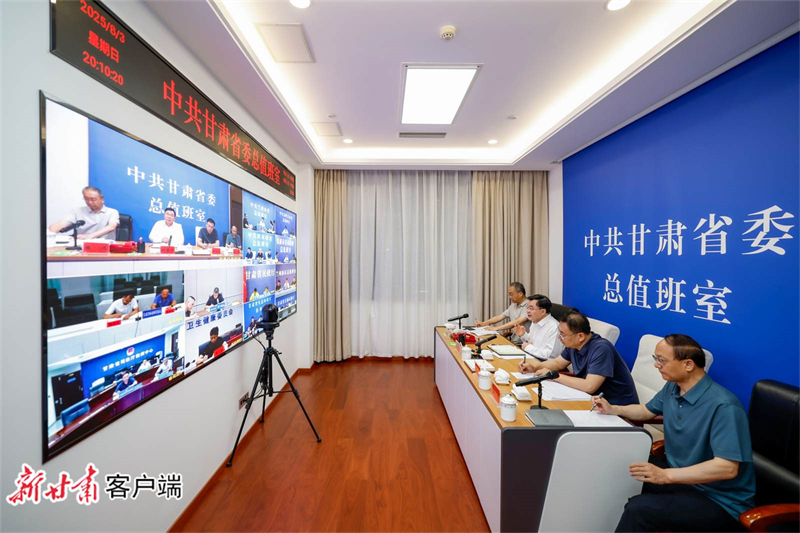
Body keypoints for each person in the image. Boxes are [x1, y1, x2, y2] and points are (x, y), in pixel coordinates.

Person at [594, 334, 755, 532]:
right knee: (620, 469)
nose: (656, 365)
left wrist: (666, 475)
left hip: (718, 499)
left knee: (639, 509)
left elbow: (727, 468)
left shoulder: (724, 406)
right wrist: (614, 409)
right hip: (681, 478)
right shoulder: (673, 387)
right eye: (656, 359)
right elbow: (646, 411)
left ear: (688, 364)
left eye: (661, 360)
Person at [518, 311, 638, 405]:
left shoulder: (602, 348)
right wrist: (535, 367)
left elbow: (589, 386)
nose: (559, 337)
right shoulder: (574, 344)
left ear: (580, 336)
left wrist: (554, 376)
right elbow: (558, 363)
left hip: (615, 407)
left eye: (562, 334)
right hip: (590, 400)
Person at [48, 186, 119, 240]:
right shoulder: (76, 211)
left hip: (104, 246)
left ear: (102, 200)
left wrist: (89, 236)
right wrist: (50, 233)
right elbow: (61, 224)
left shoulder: (112, 212)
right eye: (86, 199)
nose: (89, 202)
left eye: (93, 199)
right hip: (81, 246)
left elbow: (111, 227)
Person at [511, 294, 562, 360]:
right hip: (533, 358)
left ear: (543, 311)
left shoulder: (554, 328)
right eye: (527, 307)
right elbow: (532, 342)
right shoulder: (535, 321)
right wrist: (523, 335)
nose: (527, 311)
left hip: (545, 363)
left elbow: (551, 355)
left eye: (531, 308)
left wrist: (528, 348)